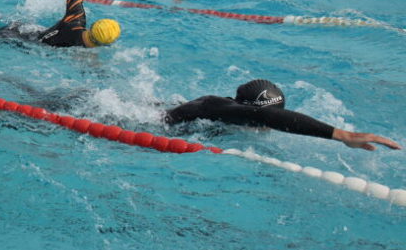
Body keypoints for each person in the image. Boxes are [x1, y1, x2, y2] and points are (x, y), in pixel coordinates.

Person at [164, 79, 401, 151]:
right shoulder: (214, 107)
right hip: (142, 123)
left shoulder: (224, 112)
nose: (268, 128)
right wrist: (344, 136)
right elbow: (267, 118)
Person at [39, 0, 120, 48]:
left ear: (92, 26)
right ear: (105, 45)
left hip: (31, 37)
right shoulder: (83, 55)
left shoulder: (76, 17)